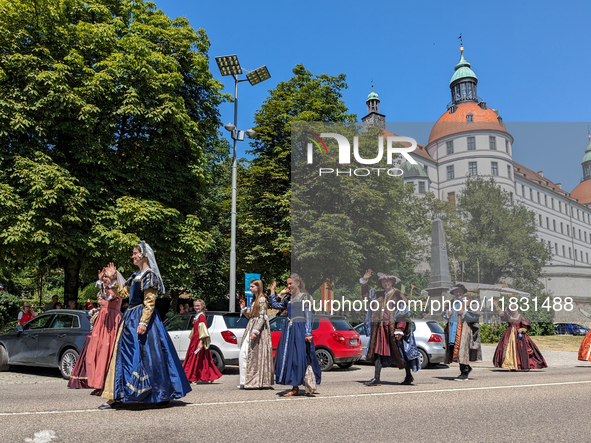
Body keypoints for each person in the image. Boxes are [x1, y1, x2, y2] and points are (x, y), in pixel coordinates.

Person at [100, 241, 191, 409]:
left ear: (143, 255)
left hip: (143, 319)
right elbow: (124, 294)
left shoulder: (150, 276)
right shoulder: (135, 275)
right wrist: (113, 281)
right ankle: (120, 393)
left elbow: (149, 303)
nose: (132, 256)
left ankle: (158, 393)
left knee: (150, 355)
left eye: (135, 253)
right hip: (130, 318)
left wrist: (143, 322)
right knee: (125, 355)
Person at [361, 270, 420, 386]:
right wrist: (365, 281)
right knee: (377, 352)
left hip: (394, 329)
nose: (386, 283)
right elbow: (366, 295)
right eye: (383, 281)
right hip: (380, 328)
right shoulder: (378, 295)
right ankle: (376, 378)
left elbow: (404, 314)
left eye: (388, 281)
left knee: (401, 352)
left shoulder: (398, 295)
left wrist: (400, 329)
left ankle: (408, 376)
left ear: (392, 282)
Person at [270, 273, 321, 396]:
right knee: (290, 358)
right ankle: (295, 386)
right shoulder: (288, 299)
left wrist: (308, 332)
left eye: (290, 283)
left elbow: (308, 315)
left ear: (297, 283)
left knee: (301, 357)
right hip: (289, 330)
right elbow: (275, 305)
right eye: (287, 283)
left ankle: (307, 383)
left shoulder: (305, 297)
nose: (288, 286)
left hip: (300, 329)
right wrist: (277, 292)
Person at [84, 270, 124, 395]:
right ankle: (98, 382)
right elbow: (103, 296)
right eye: (104, 276)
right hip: (102, 321)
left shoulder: (116, 290)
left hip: (112, 321)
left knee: (108, 350)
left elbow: (107, 297)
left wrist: (102, 283)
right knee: (96, 351)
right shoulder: (105, 288)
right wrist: (101, 283)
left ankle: (106, 384)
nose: (105, 278)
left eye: (107, 276)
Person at [238, 280, 274, 389]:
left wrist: (255, 331)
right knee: (244, 353)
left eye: (252, 286)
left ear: (258, 287)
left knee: (252, 354)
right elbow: (251, 316)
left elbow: (262, 317)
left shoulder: (262, 300)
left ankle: (255, 381)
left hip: (258, 330)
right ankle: (246, 380)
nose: (251, 288)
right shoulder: (255, 300)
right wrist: (243, 309)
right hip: (251, 326)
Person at [492, 301, 547, 371]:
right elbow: (501, 314)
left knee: (522, 349)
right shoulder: (509, 316)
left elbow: (526, 325)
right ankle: (511, 365)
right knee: (508, 349)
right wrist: (496, 306)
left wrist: (522, 329)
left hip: (518, 335)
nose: (513, 310)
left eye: (514, 309)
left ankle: (523, 365)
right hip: (509, 335)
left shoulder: (520, 317)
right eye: (511, 309)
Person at [443, 284, 482, 381]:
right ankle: (467, 368)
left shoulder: (469, 302)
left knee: (462, 350)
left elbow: (476, 317)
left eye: (459, 291)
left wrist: (465, 313)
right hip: (453, 329)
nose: (458, 293)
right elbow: (443, 315)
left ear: (463, 292)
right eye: (456, 292)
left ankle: (464, 372)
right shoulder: (451, 303)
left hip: (464, 329)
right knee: (455, 350)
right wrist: (448, 314)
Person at [182, 299, 222, 383]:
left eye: (198, 306)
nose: (196, 307)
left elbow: (203, 330)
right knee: (203, 358)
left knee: (196, 357)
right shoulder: (197, 316)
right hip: (194, 340)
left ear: (202, 306)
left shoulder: (202, 317)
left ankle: (192, 376)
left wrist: (200, 342)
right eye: (195, 306)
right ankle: (209, 375)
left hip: (199, 341)